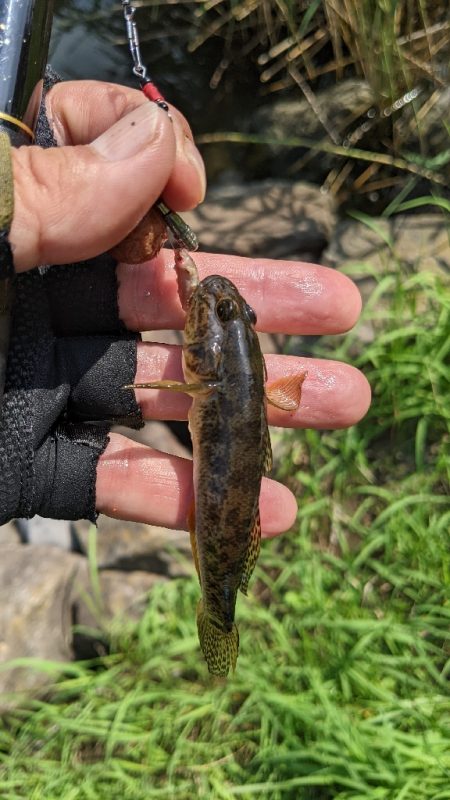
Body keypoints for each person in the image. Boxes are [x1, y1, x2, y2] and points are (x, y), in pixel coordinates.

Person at [2, 79, 371, 536]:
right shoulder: (240, 378)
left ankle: (217, 604)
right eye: (234, 315)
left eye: (231, 317)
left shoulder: (213, 378)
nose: (221, 307)